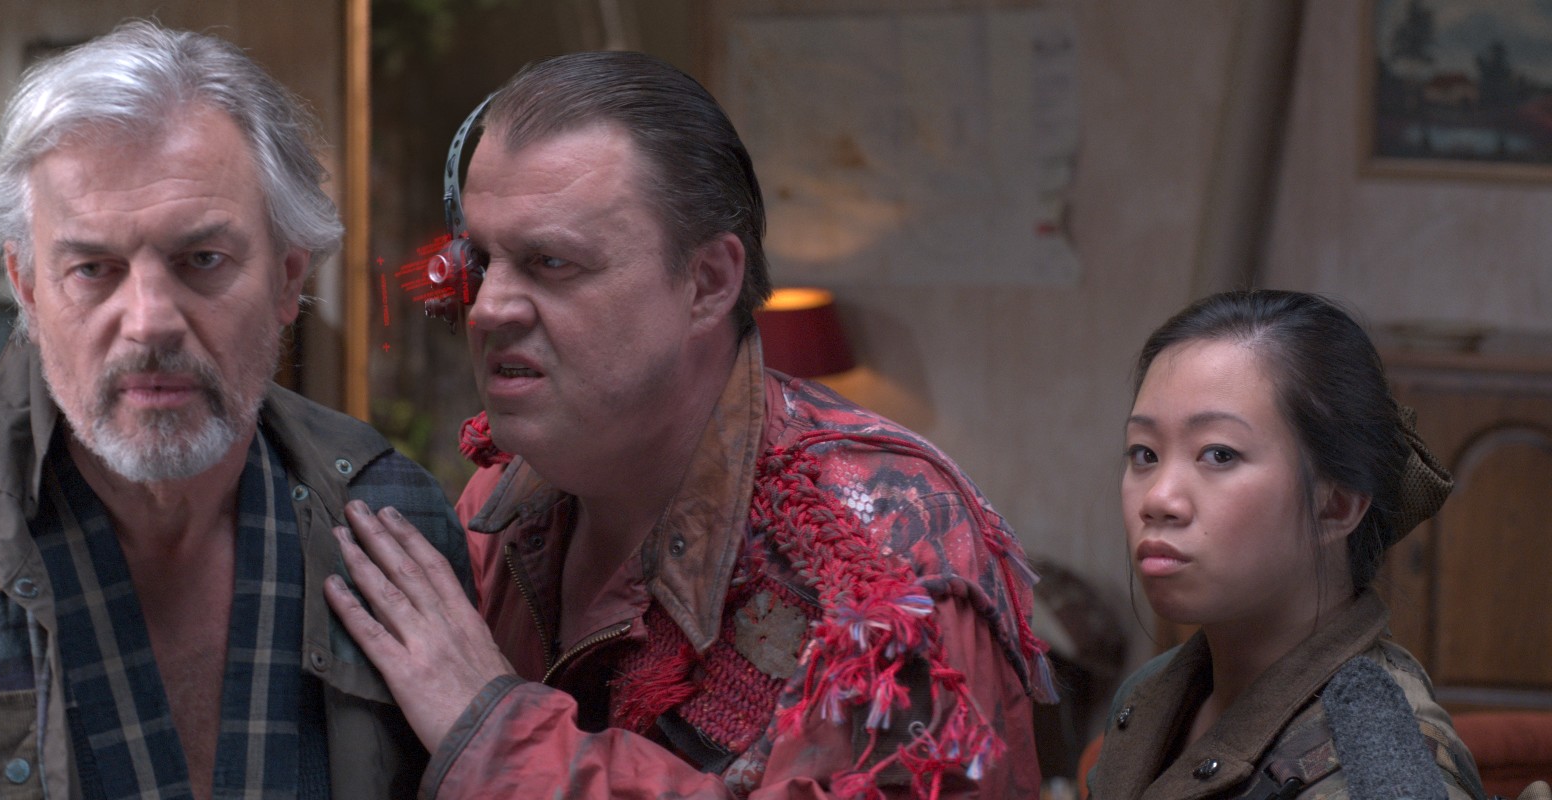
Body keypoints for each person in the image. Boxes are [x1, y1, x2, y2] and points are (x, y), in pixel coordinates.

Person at [0, 21, 467, 799]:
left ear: (288, 278)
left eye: (203, 260)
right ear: (26, 287)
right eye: (92, 268)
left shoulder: (397, 530)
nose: (149, 322)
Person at [322, 51, 1056, 798]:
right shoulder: (503, 500)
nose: (487, 307)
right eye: (480, 259)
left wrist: (497, 734)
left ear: (707, 283)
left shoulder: (878, 559)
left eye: (551, 262)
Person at [1086, 290, 1483, 798]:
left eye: (1219, 454)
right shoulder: (1150, 694)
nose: (1158, 499)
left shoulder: (1373, 769)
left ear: (1336, 506)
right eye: (1144, 454)